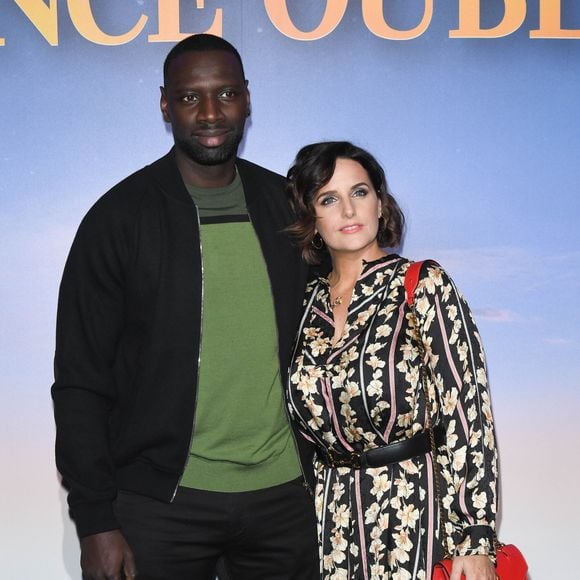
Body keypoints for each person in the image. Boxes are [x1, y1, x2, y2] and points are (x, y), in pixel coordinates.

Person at [51, 34, 318, 580]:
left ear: (247, 98)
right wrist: (96, 521)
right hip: (158, 506)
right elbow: (80, 381)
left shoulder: (289, 210)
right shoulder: (118, 219)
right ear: (165, 104)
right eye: (191, 97)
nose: (212, 113)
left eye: (226, 93)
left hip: (286, 501)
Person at [284, 141, 499, 580]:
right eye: (329, 198)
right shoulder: (300, 304)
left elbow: (467, 414)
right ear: (312, 218)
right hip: (330, 527)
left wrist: (475, 539)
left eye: (360, 193)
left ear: (381, 205)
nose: (348, 210)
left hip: (418, 515)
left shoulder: (423, 286)